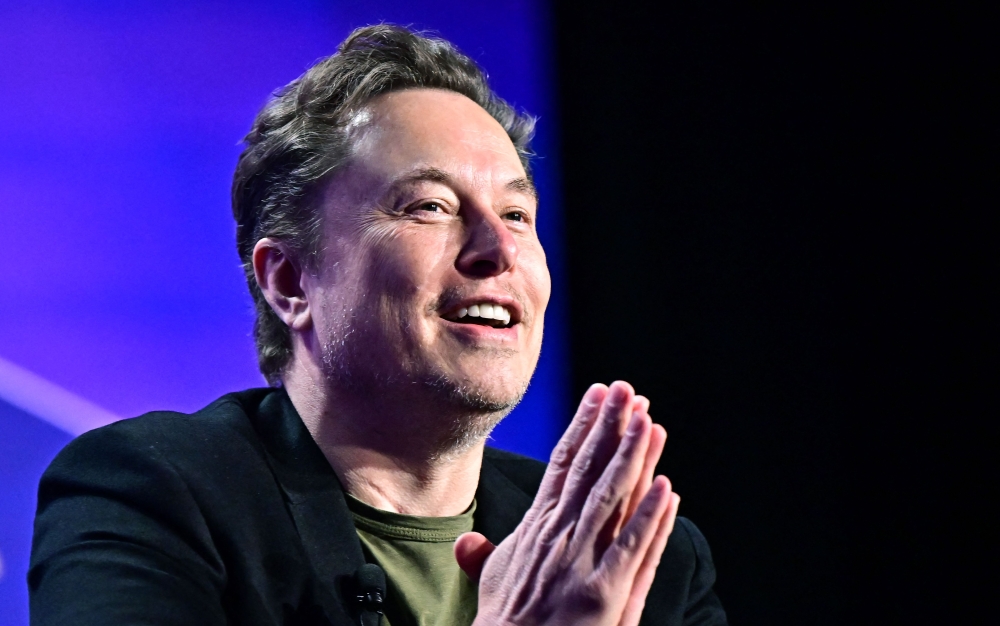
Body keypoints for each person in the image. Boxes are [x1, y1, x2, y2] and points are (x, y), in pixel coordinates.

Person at [29, 25, 727, 626]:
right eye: (428, 206)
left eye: (517, 214)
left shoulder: (638, 560)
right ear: (290, 281)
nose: (499, 249)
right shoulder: (154, 495)